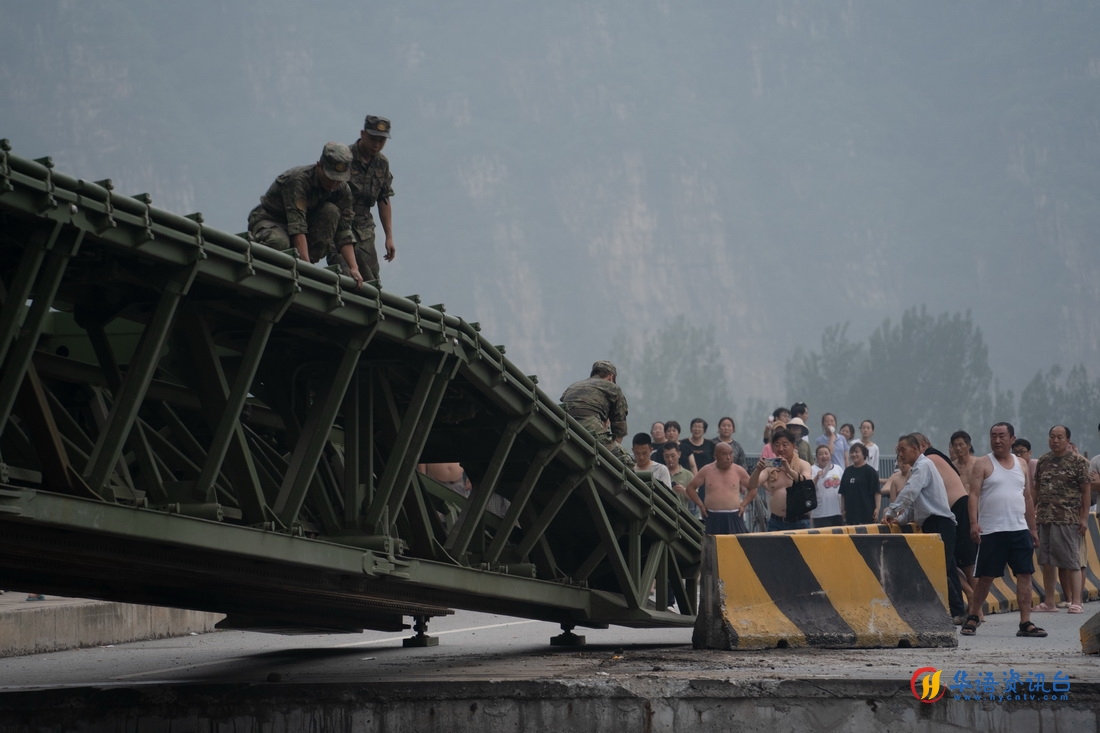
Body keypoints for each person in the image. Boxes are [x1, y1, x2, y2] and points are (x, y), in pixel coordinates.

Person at [961, 422, 1045, 637]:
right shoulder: (983, 463)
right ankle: (973, 616)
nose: (997, 440)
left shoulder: (1022, 465)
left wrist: (1032, 529)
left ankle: (1025, 622)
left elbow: (1026, 497)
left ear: (1012, 439)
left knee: (1025, 575)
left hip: (1019, 529)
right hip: (992, 530)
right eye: (993, 436)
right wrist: (973, 523)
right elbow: (974, 495)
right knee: (986, 577)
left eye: (1002, 436)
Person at [247, 141, 363, 287]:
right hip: (272, 220)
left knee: (331, 211)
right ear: (319, 166)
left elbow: (344, 232)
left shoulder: (342, 190)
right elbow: (297, 226)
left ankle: (304, 261)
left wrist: (354, 268)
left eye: (338, 179)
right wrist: (306, 269)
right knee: (279, 243)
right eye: (330, 177)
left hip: (305, 228)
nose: (334, 184)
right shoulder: (298, 180)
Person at [884, 434, 967, 622]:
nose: (900, 454)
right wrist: (901, 519)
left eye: (902, 449)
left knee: (941, 567)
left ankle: (956, 611)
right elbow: (916, 504)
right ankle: (958, 611)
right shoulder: (918, 469)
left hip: (940, 522)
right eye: (898, 451)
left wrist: (892, 511)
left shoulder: (924, 465)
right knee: (948, 568)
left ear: (915, 449)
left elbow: (911, 491)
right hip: (934, 522)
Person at [914, 432, 977, 608]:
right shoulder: (938, 457)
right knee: (952, 561)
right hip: (953, 510)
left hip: (957, 508)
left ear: (923, 445)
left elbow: (913, 489)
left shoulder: (928, 459)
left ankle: (976, 604)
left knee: (965, 562)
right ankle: (973, 601)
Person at [1033, 425, 1091, 614]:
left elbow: (1086, 492)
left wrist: (1083, 519)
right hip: (1044, 518)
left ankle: (1076, 601)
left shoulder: (1078, 462)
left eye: (1059, 437)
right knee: (1047, 561)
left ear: (1067, 440)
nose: (1055, 441)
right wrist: (1031, 513)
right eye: (1052, 437)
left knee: (1071, 561)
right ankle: (1049, 602)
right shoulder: (1043, 460)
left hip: (1067, 519)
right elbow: (1037, 489)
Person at [347, 115, 396, 284]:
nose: (376, 145)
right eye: (373, 139)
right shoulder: (345, 157)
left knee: (371, 278)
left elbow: (384, 199)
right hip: (340, 221)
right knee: (345, 272)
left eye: (381, 141)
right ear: (362, 134)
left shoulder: (382, 163)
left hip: (364, 225)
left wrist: (389, 236)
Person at [560, 361, 631, 465]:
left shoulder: (573, 386)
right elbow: (619, 426)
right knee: (625, 460)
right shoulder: (612, 387)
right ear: (611, 377)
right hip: (590, 425)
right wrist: (614, 449)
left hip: (565, 425)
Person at [745, 428, 814, 532]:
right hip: (776, 522)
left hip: (799, 522)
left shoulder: (803, 464)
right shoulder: (770, 466)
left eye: (785, 444)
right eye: (777, 445)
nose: (781, 448)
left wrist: (788, 470)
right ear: (772, 448)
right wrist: (758, 470)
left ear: (793, 446)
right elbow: (752, 485)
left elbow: (806, 482)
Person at [681, 443, 750, 534]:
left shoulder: (739, 470)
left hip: (734, 514)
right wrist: (701, 505)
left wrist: (744, 504)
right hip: (712, 515)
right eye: (724, 454)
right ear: (715, 456)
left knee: (737, 545)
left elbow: (753, 488)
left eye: (730, 454)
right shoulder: (706, 470)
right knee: (713, 545)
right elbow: (690, 488)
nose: (728, 457)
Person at [839, 443, 879, 525]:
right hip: (851, 515)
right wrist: (842, 510)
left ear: (864, 454)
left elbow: (877, 492)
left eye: (857, 452)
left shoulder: (870, 471)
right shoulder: (847, 471)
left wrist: (877, 508)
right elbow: (843, 492)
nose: (854, 454)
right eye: (852, 452)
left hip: (867, 513)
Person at [810, 444, 844, 528]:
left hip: (838, 512)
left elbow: (844, 489)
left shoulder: (838, 468)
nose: (823, 456)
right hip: (820, 514)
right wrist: (817, 477)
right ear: (816, 457)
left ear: (830, 455)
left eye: (826, 453)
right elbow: (809, 489)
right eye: (820, 454)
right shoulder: (812, 469)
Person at [663, 441, 698, 518]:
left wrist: (684, 491)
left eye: (673, 456)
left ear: (679, 454)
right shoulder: (660, 473)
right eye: (666, 456)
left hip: (683, 516)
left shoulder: (688, 475)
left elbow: (695, 498)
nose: (670, 459)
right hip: (664, 514)